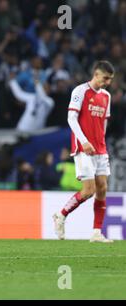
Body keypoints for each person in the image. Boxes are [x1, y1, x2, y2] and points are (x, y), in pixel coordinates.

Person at [53, 61, 115, 243]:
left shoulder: (106, 97)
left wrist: (102, 143)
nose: (108, 82)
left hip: (100, 149)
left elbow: (104, 123)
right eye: (105, 78)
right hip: (83, 149)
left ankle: (96, 232)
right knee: (89, 190)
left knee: (102, 188)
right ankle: (61, 215)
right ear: (96, 74)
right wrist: (84, 141)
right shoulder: (80, 91)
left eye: (110, 79)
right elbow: (71, 118)